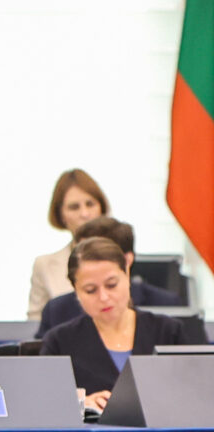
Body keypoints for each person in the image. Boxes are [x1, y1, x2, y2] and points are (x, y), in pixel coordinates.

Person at [41, 237, 189, 411]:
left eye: (111, 285)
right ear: (76, 290)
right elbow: (44, 400)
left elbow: (194, 392)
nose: (104, 297)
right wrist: (80, 402)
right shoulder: (60, 341)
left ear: (127, 274)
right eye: (90, 290)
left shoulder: (168, 331)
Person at [35, 217, 181, 337]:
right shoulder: (57, 311)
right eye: (80, 251)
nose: (103, 297)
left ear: (126, 260)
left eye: (98, 253)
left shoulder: (167, 311)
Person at [27, 169, 110, 319]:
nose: (84, 214)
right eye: (74, 207)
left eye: (90, 204)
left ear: (101, 208)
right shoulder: (44, 265)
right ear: (61, 216)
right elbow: (35, 324)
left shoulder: (125, 257)